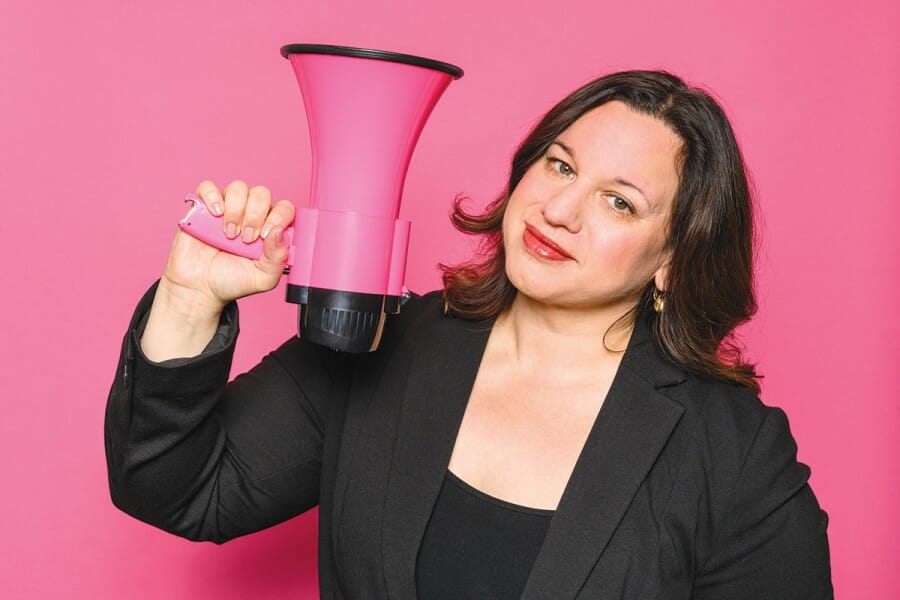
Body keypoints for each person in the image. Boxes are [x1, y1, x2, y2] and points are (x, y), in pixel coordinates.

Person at [105, 70, 833, 598]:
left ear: (673, 260)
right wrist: (189, 298)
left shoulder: (733, 451)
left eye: (618, 201)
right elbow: (177, 488)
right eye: (560, 165)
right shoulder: (385, 343)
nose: (560, 209)